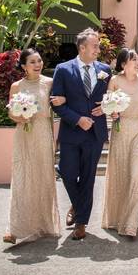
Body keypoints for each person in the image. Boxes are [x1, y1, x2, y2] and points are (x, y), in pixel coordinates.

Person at [50, 29, 111, 240]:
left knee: (88, 178)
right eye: (94, 46)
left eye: (98, 46)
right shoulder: (63, 69)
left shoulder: (105, 70)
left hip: (95, 133)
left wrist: (105, 107)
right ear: (82, 47)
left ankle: (81, 223)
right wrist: (77, 119)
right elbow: (56, 102)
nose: (98, 50)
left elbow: (113, 98)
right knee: (67, 173)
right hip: (71, 132)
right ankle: (78, 206)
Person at [2, 49, 61, 244]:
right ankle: (15, 228)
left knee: (43, 176)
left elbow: (58, 104)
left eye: (39, 60)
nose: (38, 64)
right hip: (24, 133)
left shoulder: (50, 82)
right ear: (24, 66)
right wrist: (21, 116)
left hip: (43, 132)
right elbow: (11, 112)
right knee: (22, 177)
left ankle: (43, 224)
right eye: (32, 62)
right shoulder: (17, 86)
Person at [101, 48, 138, 238]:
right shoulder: (115, 81)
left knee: (136, 175)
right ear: (123, 64)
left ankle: (131, 223)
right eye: (134, 60)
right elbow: (107, 104)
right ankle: (117, 218)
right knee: (121, 175)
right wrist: (112, 111)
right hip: (120, 130)